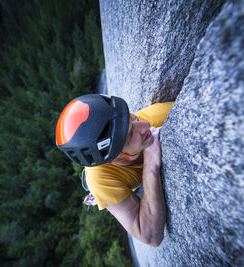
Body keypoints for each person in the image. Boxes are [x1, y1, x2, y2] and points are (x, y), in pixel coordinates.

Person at [55, 94, 174, 247]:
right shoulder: (100, 179)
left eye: (132, 117)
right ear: (114, 159)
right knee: (98, 186)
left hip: (120, 179)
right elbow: (150, 236)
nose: (145, 125)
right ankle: (97, 195)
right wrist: (150, 165)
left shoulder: (157, 118)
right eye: (131, 134)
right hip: (107, 180)